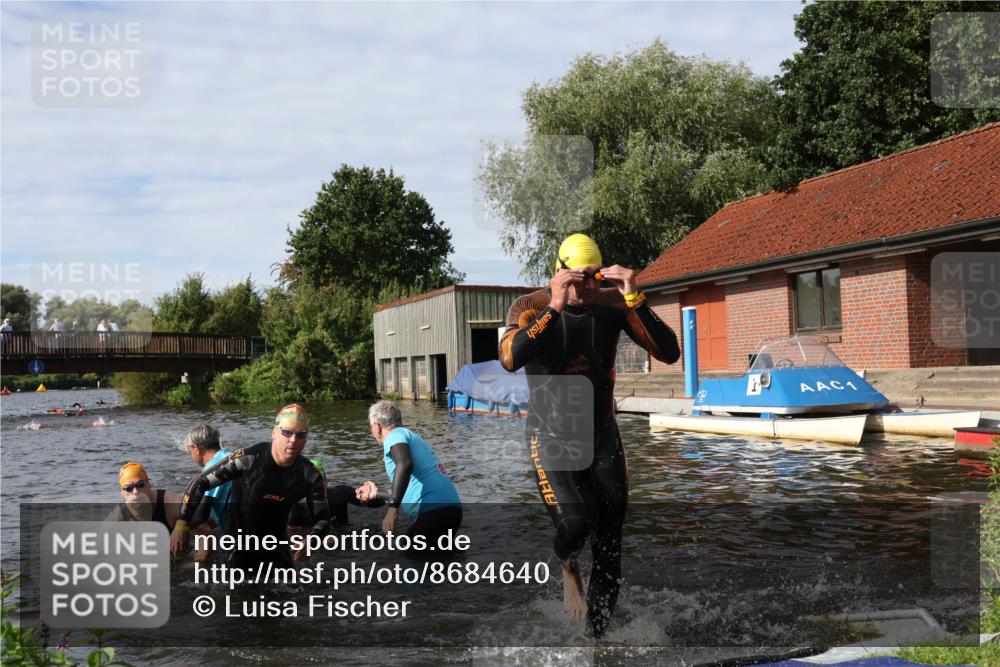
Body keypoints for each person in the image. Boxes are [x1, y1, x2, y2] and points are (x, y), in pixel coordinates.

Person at [498, 232, 680, 637]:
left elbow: (669, 353)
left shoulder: (612, 304)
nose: (587, 288)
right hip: (550, 436)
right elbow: (510, 358)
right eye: (578, 279)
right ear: (560, 272)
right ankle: (567, 565)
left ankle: (596, 641)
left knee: (611, 544)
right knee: (576, 522)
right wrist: (557, 306)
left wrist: (633, 294)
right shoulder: (531, 305)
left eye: (593, 278)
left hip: (601, 435)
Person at [170, 404, 330, 567]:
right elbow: (200, 483)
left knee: (292, 589)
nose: (293, 440)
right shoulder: (248, 459)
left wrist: (312, 540)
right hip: (236, 544)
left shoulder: (310, 475)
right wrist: (181, 525)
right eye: (286, 432)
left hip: (276, 547)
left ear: (306, 438)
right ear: (274, 433)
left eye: (300, 434)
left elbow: (323, 520)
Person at [356, 400, 461, 544]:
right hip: (452, 509)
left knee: (409, 562)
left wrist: (392, 509)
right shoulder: (412, 437)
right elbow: (410, 485)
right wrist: (377, 493)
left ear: (377, 426)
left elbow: (405, 465)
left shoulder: (394, 436)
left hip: (430, 510)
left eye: (370, 426)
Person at [104, 462, 182, 531]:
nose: (136, 492)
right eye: (129, 488)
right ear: (122, 493)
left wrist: (181, 529)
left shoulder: (171, 503)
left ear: (149, 485)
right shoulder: (115, 520)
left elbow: (193, 524)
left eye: (140, 485)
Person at [180, 424, 232, 528]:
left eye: (190, 452)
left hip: (236, 530)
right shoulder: (229, 455)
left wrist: (181, 529)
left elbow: (201, 515)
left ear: (196, 448)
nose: (192, 456)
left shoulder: (212, 468)